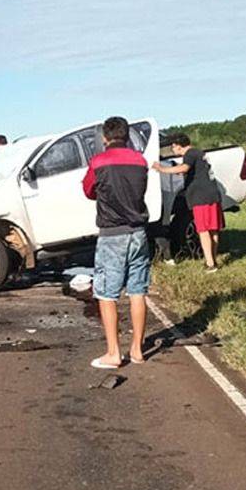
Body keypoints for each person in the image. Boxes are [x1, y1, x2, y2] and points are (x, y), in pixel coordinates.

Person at [82, 117, 152, 369]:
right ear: (127, 135)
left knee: (106, 294)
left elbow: (88, 190)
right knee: (137, 291)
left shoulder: (98, 162)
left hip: (112, 234)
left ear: (105, 137)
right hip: (139, 232)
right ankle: (137, 349)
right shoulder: (140, 161)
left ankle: (113, 353)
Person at [152, 133, 223, 272]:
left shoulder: (190, 154)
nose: (172, 149)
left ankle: (210, 264)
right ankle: (213, 259)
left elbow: (184, 168)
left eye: (173, 147)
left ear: (178, 145)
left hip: (200, 197)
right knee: (213, 230)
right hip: (212, 194)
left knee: (203, 231)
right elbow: (193, 171)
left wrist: (162, 169)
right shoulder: (199, 153)